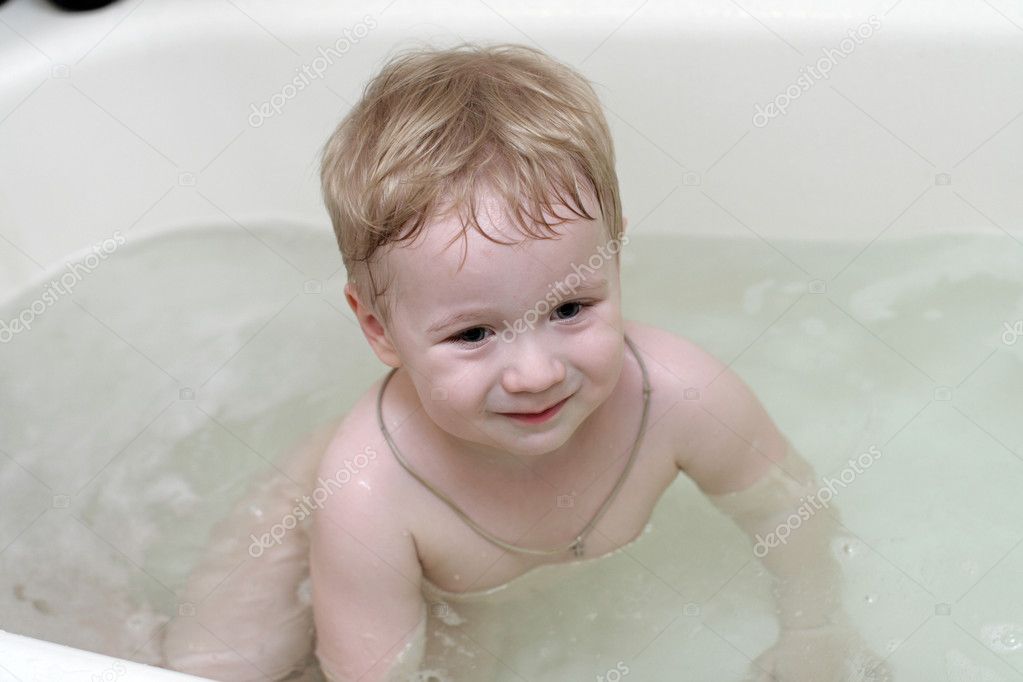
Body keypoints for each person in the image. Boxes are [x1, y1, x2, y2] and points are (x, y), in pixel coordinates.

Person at [164, 42, 891, 682]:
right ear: (378, 329)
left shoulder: (679, 393)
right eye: (474, 334)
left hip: (458, 578)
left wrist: (815, 629)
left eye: (570, 310)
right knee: (216, 666)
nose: (536, 373)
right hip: (307, 517)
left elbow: (785, 506)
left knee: (472, 659)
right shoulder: (368, 492)